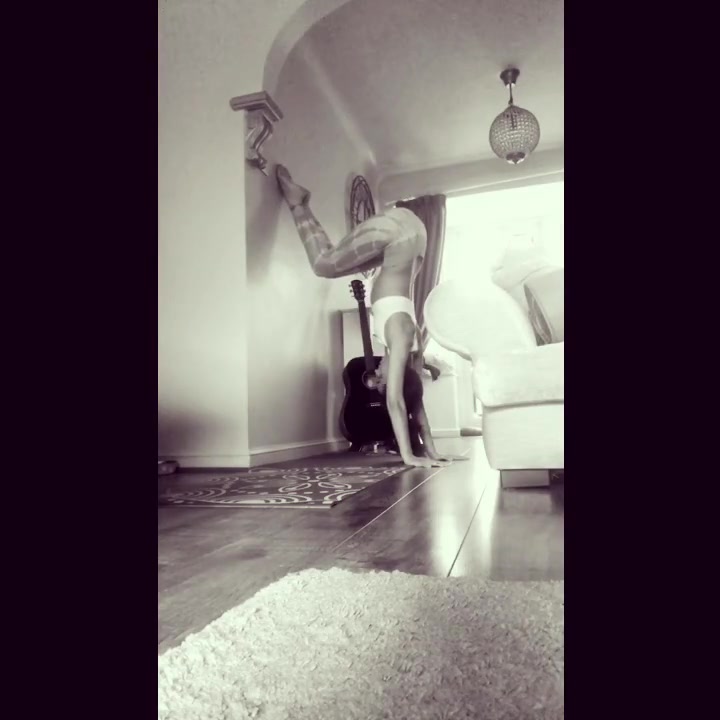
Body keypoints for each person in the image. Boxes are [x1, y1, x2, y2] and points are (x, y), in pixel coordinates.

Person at [276, 165, 467, 468]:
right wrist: (408, 456)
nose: (377, 374)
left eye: (376, 379)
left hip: (410, 241)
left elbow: (416, 405)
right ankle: (298, 203)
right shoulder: (401, 339)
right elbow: (396, 402)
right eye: (382, 379)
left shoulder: (409, 347)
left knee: (333, 266)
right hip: (400, 236)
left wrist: (432, 451)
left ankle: (300, 204)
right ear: (396, 377)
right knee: (323, 265)